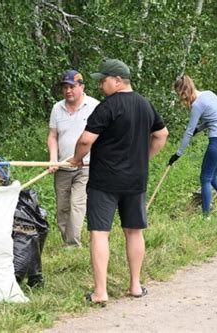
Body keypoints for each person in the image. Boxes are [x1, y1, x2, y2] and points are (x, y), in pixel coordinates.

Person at [69, 59, 168, 304]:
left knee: (99, 233)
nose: (101, 85)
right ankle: (135, 286)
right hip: (136, 180)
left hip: (105, 181)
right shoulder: (146, 105)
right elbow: (161, 134)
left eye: (103, 81)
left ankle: (100, 292)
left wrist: (77, 159)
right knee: (134, 231)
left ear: (118, 80)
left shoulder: (108, 106)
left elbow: (85, 140)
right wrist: (144, 159)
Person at [168, 75, 217, 218]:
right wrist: (198, 130)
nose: (182, 99)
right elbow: (214, 119)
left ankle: (206, 217)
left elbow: (188, 131)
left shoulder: (197, 105)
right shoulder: (209, 94)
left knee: (205, 179)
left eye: (180, 95)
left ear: (184, 91)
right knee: (213, 177)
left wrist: (178, 154)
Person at [48, 70, 100, 248]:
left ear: (81, 87)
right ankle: (67, 241)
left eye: (72, 86)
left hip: (86, 166)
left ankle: (72, 245)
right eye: (65, 87)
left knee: (76, 204)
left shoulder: (94, 106)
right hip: (63, 165)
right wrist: (53, 159)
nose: (68, 91)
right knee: (62, 207)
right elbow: (53, 136)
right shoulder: (57, 108)